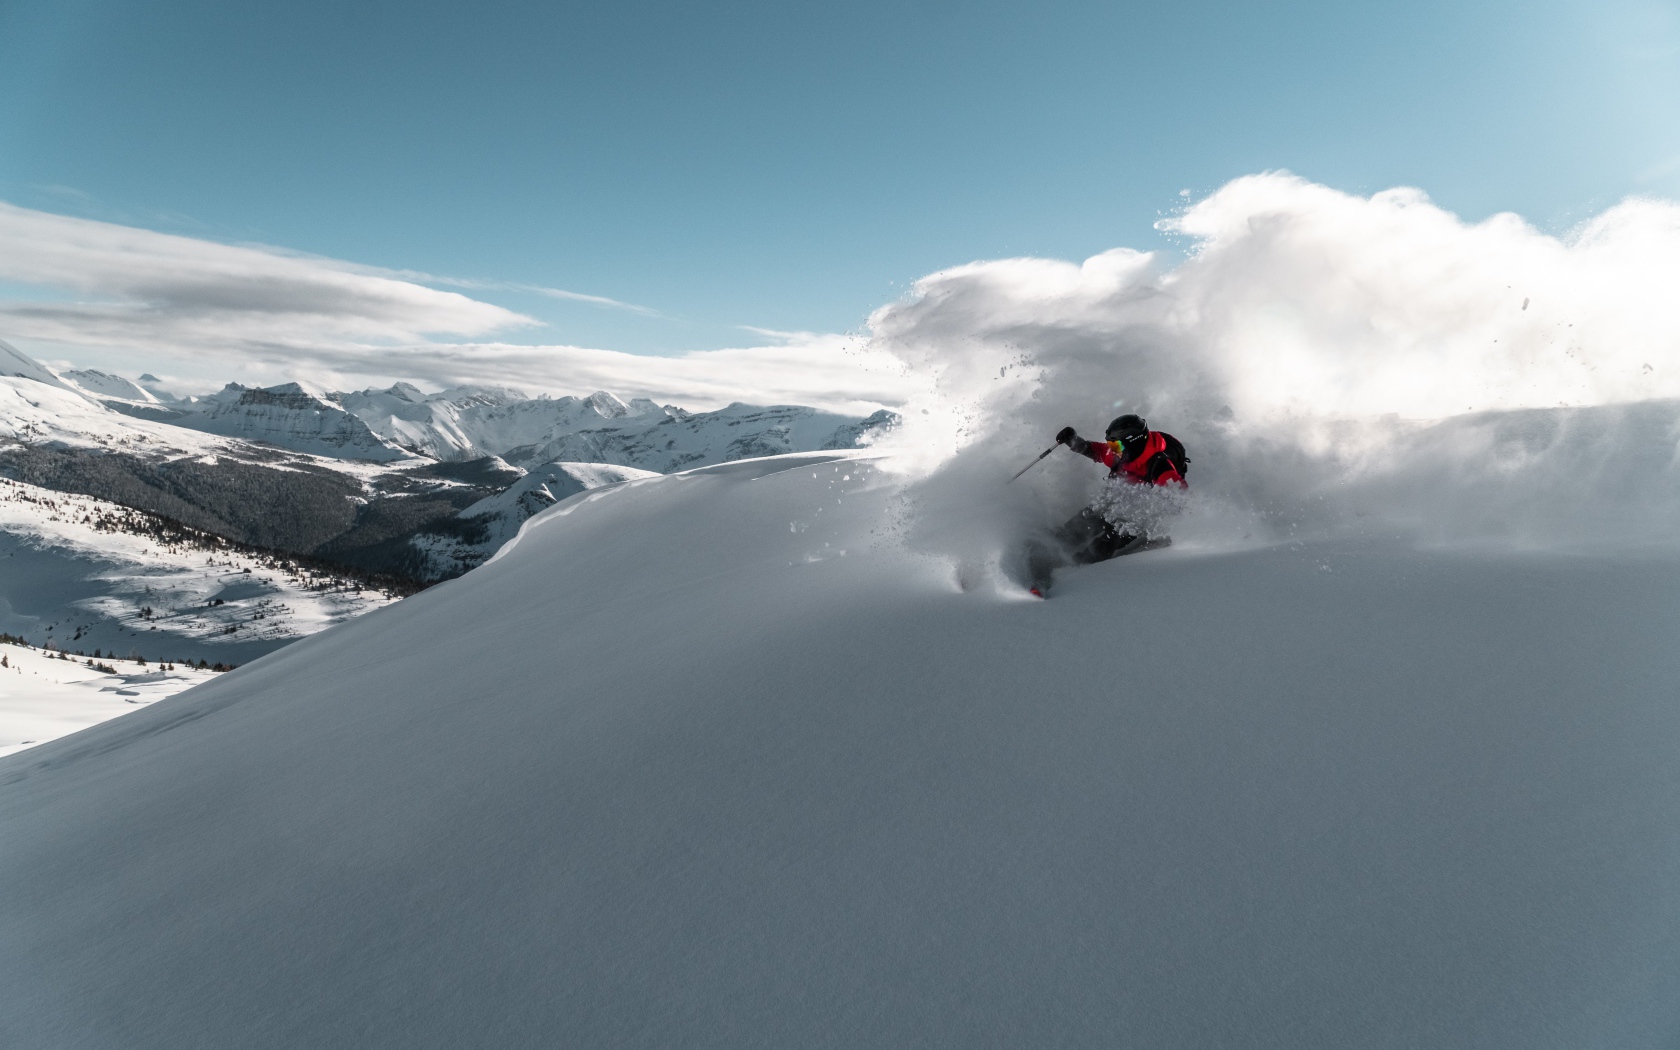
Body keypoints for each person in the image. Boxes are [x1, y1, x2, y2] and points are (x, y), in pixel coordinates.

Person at [1025, 414, 1188, 593]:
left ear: (1133, 442)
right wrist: (1073, 441)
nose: (1112, 450)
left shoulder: (1160, 466)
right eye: (1111, 444)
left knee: (1104, 544)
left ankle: (1063, 573)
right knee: (1087, 519)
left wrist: (1163, 522)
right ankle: (1050, 547)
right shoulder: (1122, 454)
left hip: (1141, 514)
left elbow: (1180, 497)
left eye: (1115, 445)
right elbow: (1096, 451)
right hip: (1118, 498)